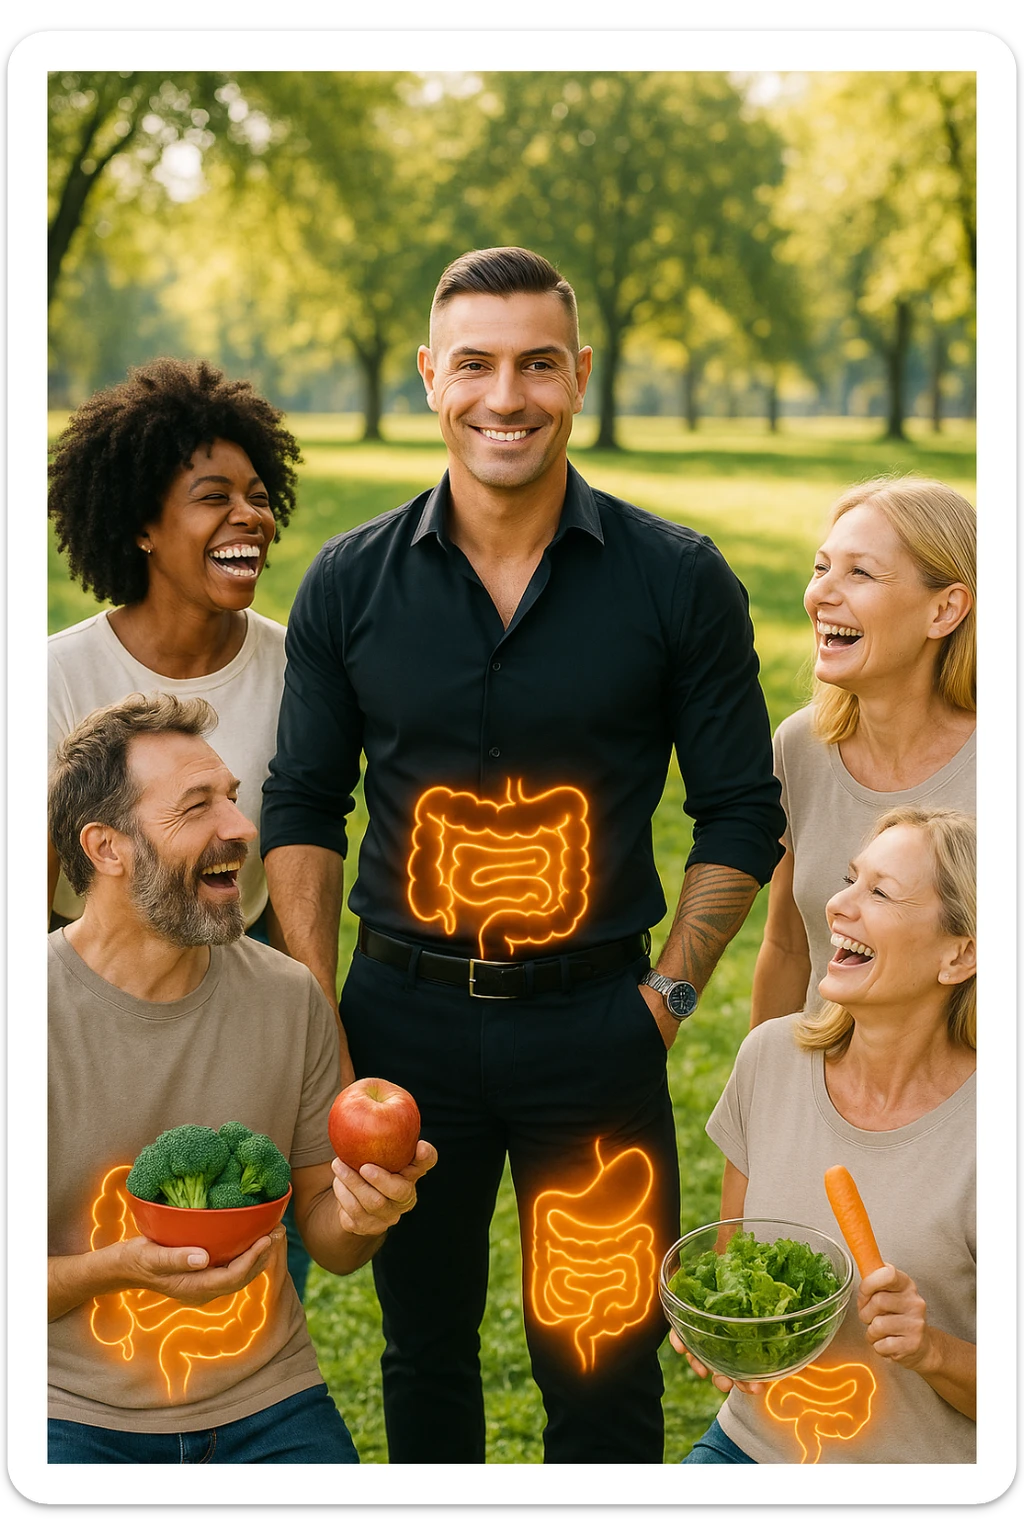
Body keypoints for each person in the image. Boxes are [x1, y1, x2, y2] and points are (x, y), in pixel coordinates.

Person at [260, 246, 786, 1465]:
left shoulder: (679, 579)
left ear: (579, 376)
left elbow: (740, 811)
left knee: (602, 1364)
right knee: (425, 1355)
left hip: (597, 1028)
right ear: (434, 377)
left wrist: (665, 1000)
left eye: (538, 364)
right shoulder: (347, 584)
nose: (509, 396)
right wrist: (325, 1028)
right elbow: (302, 804)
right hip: (400, 1029)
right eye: (479, 364)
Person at [47, 694, 436, 1463]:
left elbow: (329, 1243)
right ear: (106, 848)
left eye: (232, 797)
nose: (242, 827)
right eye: (198, 807)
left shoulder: (288, 996)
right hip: (66, 1411)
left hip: (270, 1400)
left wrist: (363, 1215)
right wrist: (116, 1267)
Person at [47, 357, 318, 1298]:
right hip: (91, 1017)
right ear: (142, 527)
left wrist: (295, 1042)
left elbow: (297, 869)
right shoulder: (55, 680)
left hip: (237, 1008)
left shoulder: (299, 669)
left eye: (257, 495)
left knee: (246, 1264)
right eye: (214, 498)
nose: (249, 516)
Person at [674, 807, 976, 1464]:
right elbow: (733, 1258)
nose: (838, 905)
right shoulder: (771, 1059)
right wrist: (717, 1326)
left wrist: (935, 1351)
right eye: (849, 879)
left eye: (880, 892)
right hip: (750, 1445)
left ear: (961, 954)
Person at [750, 476, 975, 1027]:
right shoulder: (799, 747)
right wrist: (763, 1095)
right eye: (822, 567)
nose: (821, 594)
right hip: (827, 1089)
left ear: (944, 610)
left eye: (860, 573)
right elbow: (787, 947)